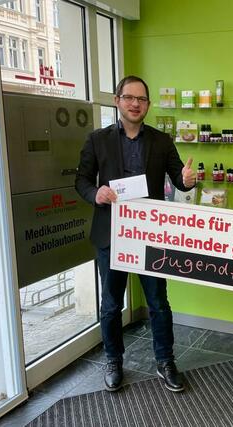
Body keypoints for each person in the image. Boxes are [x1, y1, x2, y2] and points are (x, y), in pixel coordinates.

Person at [75, 75, 196, 393]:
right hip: (110, 233)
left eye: (141, 99)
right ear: (117, 100)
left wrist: (188, 179)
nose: (135, 103)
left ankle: (165, 361)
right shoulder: (97, 140)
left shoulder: (161, 141)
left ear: (148, 105)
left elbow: (179, 180)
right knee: (112, 304)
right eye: (129, 97)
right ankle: (114, 360)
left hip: (149, 233)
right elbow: (82, 181)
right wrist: (96, 193)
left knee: (158, 302)